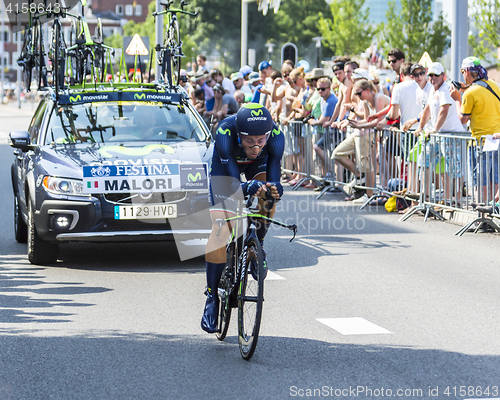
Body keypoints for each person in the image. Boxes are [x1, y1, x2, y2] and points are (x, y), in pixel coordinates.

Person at [201, 104, 285, 333]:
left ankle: (257, 245)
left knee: (268, 197)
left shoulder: (276, 137)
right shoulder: (226, 133)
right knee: (221, 229)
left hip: (256, 168)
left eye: (261, 140)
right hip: (226, 166)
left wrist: (275, 189)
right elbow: (230, 184)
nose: (257, 146)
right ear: (240, 135)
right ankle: (211, 298)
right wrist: (246, 186)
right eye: (250, 141)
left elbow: (274, 178)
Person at [450, 56, 500, 202]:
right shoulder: (494, 85)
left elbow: (463, 119)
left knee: (480, 181)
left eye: (462, 71)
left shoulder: (470, 93)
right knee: (495, 178)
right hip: (496, 139)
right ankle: (495, 214)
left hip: (480, 141)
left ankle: (483, 217)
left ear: (466, 71)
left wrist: (458, 99)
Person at [415, 62, 465, 201]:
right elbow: (427, 110)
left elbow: (444, 111)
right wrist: (420, 126)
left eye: (436, 75)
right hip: (439, 134)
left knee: (453, 168)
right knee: (424, 159)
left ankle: (456, 199)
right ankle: (424, 196)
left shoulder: (446, 89)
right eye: (430, 75)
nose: (433, 78)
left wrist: (434, 130)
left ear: (444, 75)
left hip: (451, 134)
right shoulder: (432, 89)